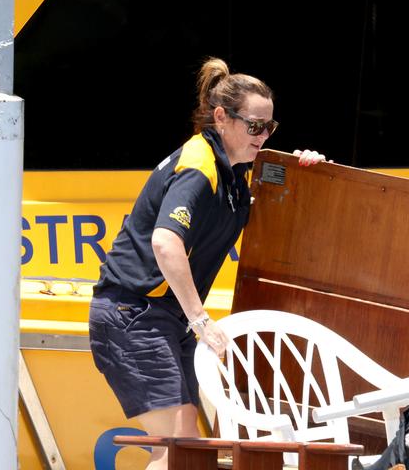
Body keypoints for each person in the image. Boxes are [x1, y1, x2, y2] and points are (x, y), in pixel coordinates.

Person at [89, 57, 325, 470]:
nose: (263, 136)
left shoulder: (232, 171)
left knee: (191, 452)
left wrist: (305, 169)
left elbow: (271, 206)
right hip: (133, 316)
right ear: (222, 117)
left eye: (270, 127)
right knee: (180, 453)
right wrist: (200, 320)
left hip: (164, 319)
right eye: (254, 126)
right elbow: (165, 242)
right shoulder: (199, 167)